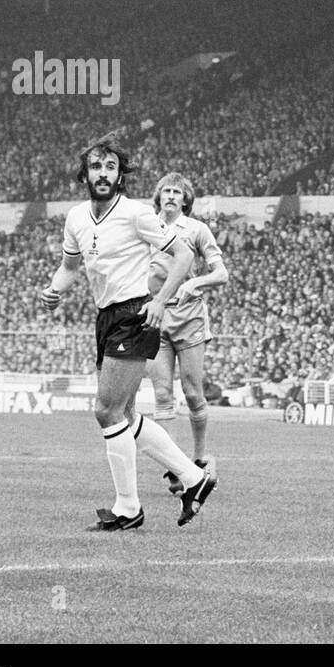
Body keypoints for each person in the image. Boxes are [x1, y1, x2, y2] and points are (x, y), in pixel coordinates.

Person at [41, 139, 218, 531]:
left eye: (109, 167)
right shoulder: (76, 218)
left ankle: (127, 508)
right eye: (95, 166)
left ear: (120, 175)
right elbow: (70, 267)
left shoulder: (136, 214)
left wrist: (161, 301)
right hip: (105, 317)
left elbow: (185, 256)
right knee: (126, 414)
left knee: (106, 410)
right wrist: (55, 289)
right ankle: (193, 478)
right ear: (84, 174)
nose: (102, 173)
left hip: (134, 313)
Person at [144, 173, 229, 495]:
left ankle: (199, 459)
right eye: (165, 190)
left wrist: (194, 282)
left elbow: (221, 273)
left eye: (176, 191)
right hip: (154, 316)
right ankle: (176, 469)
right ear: (158, 196)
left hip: (190, 318)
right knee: (163, 396)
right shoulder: (145, 227)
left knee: (193, 394)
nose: (170, 195)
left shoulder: (196, 230)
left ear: (185, 200)